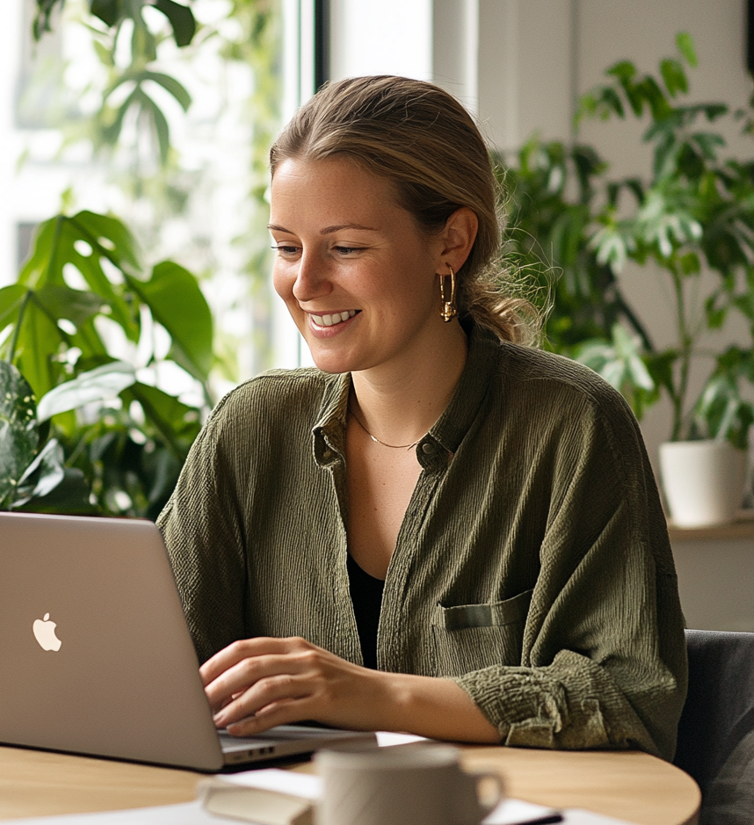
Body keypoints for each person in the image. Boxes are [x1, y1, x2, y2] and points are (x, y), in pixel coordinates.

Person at [157, 75, 687, 760]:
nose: (305, 283)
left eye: (345, 248)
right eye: (286, 247)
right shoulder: (249, 431)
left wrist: (366, 693)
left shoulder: (571, 427)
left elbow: (627, 699)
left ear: (452, 244)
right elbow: (155, 665)